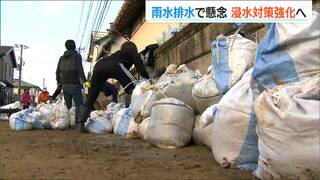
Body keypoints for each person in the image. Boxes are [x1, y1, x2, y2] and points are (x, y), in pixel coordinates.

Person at [80, 41, 150, 130]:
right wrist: (147, 77)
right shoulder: (132, 50)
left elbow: (87, 88)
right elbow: (139, 64)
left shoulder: (118, 54)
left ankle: (81, 122)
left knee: (91, 97)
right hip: (115, 66)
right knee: (133, 88)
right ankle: (130, 118)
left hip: (98, 66)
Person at [56, 39, 87, 127]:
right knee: (79, 104)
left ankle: (67, 123)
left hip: (64, 85)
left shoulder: (61, 58)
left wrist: (59, 83)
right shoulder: (77, 56)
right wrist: (87, 83)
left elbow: (57, 72)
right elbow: (80, 71)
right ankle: (78, 123)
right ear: (74, 46)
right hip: (74, 84)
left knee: (68, 105)